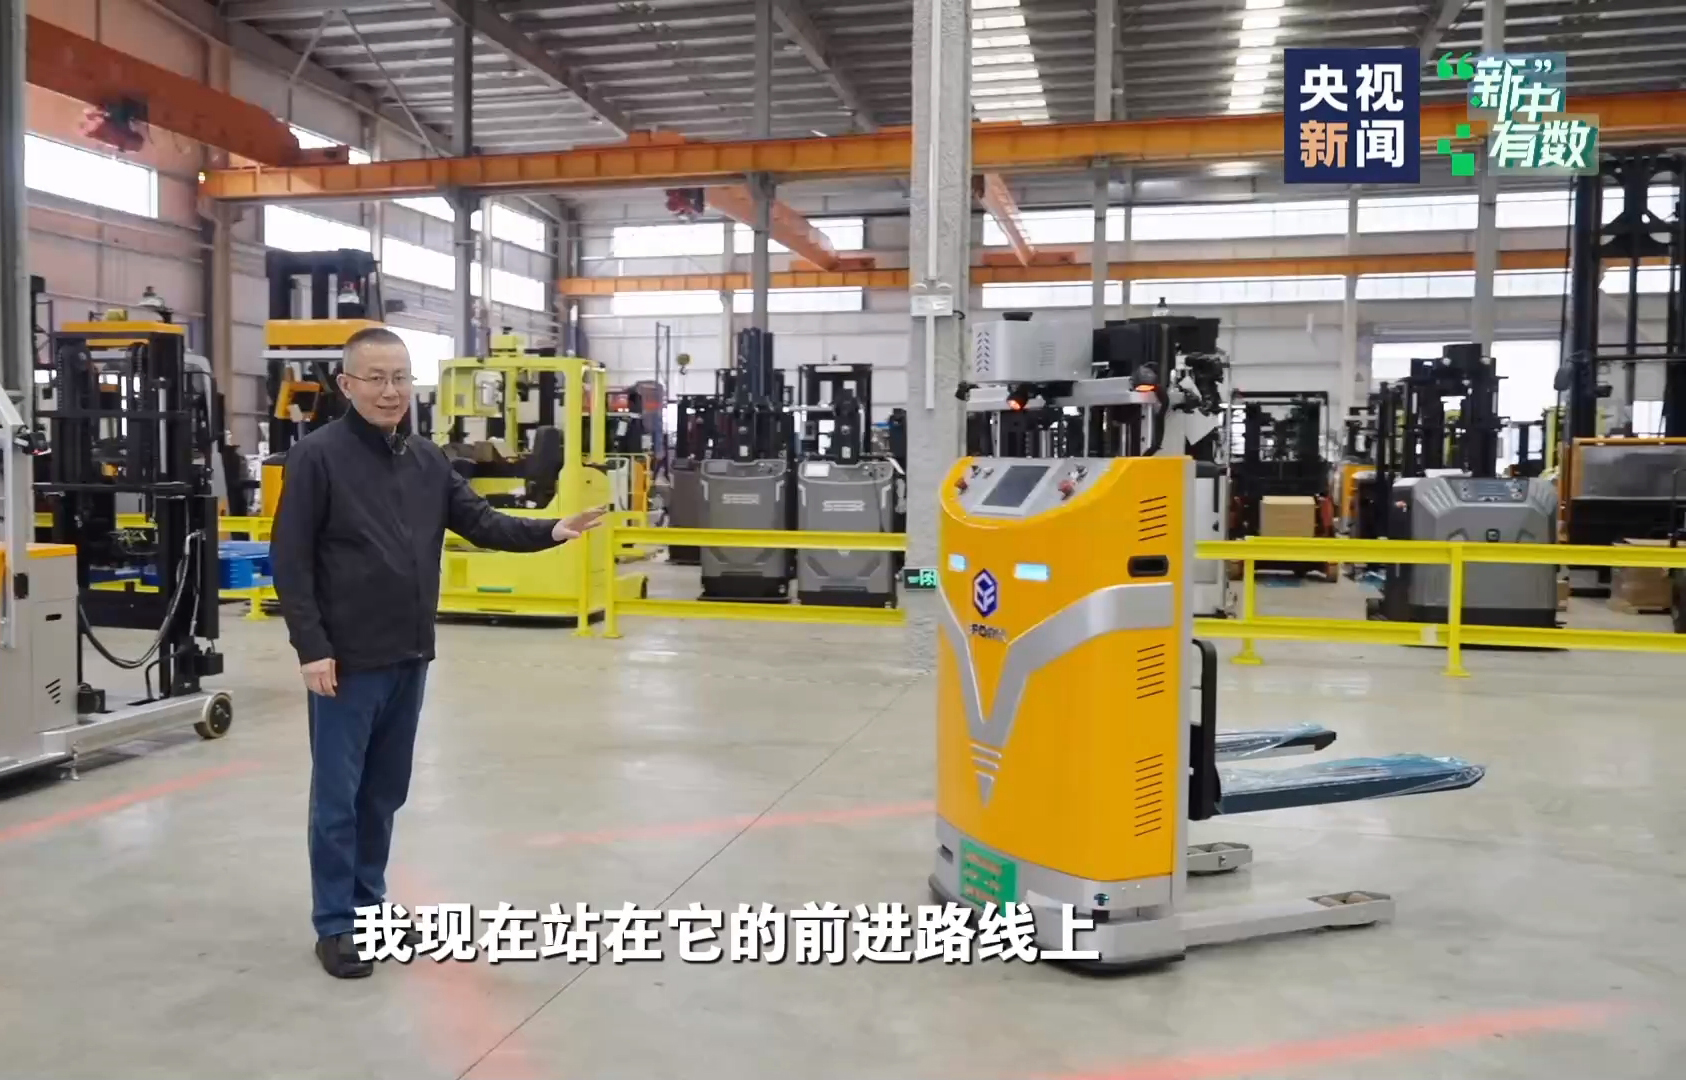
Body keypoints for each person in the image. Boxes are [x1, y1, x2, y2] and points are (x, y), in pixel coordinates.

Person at [270, 327, 605, 979]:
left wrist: (552, 530)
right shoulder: (316, 458)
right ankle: (335, 924)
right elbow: (292, 560)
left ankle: (369, 907)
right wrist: (311, 647)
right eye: (375, 378)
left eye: (400, 378)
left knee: (383, 794)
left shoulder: (425, 459)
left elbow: (482, 522)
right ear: (346, 384)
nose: (390, 391)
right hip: (345, 661)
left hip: (408, 654)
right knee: (338, 799)